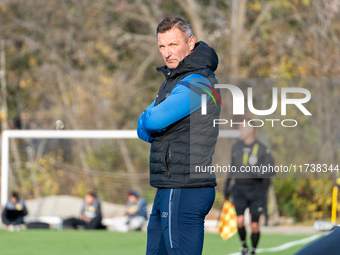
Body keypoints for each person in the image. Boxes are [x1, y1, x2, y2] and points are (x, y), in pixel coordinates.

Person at [137, 16, 221, 255]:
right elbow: (142, 130)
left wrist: (149, 118)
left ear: (191, 43)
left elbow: (151, 121)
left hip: (185, 186)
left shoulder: (199, 81)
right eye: (162, 46)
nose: (166, 52)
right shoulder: (175, 81)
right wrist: (151, 121)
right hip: (169, 186)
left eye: (173, 45)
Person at [224, 119, 274, 255]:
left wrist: (258, 173)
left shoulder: (262, 149)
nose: (240, 130)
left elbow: (271, 169)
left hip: (256, 191)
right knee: (239, 221)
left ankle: (253, 250)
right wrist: (226, 187)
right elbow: (232, 168)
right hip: (239, 190)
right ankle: (244, 245)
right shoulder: (236, 147)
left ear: (251, 129)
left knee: (254, 225)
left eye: (243, 128)